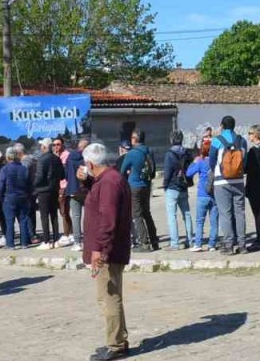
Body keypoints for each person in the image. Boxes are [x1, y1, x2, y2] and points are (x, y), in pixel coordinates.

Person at [80, 142, 132, 361]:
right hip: (109, 247)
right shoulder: (106, 179)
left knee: (108, 296)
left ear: (90, 163)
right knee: (110, 295)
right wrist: (87, 182)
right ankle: (118, 338)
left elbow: (107, 219)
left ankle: (116, 344)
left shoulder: (109, 182)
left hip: (108, 251)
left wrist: (99, 249)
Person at [207, 115, 250, 254]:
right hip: (238, 180)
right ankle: (242, 245)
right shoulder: (242, 141)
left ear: (222, 126)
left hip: (222, 181)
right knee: (240, 213)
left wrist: (216, 171)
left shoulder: (217, 140)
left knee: (225, 213)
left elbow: (212, 160)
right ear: (234, 126)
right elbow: (245, 160)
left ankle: (229, 245)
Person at [119, 131, 160, 252]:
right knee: (147, 213)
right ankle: (154, 241)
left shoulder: (131, 154)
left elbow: (122, 171)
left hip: (134, 186)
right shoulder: (149, 151)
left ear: (134, 139)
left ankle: (144, 244)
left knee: (137, 215)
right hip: (146, 185)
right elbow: (153, 169)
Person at [161, 130, 193, 250]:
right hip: (183, 186)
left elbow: (168, 172)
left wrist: (165, 185)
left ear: (171, 139)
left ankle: (175, 243)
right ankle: (190, 240)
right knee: (187, 214)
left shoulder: (169, 154)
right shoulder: (187, 153)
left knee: (172, 216)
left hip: (172, 187)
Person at [33, 138, 67, 250]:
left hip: (43, 190)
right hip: (54, 189)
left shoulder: (41, 160)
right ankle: (56, 239)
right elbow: (62, 175)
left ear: (44, 147)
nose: (40, 148)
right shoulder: (57, 159)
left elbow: (39, 176)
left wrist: (34, 186)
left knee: (44, 216)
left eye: (41, 146)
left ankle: (47, 241)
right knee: (54, 215)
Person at [0, 146, 33, 249]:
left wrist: (0, 197)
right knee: (23, 220)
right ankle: (24, 243)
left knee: (9, 221)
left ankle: (10, 244)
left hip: (9, 197)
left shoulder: (4, 169)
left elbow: (0, 185)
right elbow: (29, 184)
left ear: (8, 157)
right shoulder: (24, 168)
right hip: (22, 196)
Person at [185, 143, 219, 252]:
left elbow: (188, 173)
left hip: (202, 195)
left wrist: (193, 162)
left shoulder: (201, 162)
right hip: (214, 195)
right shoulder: (217, 163)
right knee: (214, 222)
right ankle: (212, 244)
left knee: (200, 221)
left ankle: (198, 244)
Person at [65, 139, 88, 250]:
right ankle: (89, 240)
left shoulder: (69, 158)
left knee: (76, 216)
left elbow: (66, 174)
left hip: (73, 190)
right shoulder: (87, 158)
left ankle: (77, 242)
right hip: (86, 190)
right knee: (88, 216)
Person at [54, 138, 75, 247]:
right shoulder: (56, 155)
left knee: (64, 211)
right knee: (63, 211)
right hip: (57, 185)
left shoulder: (67, 155)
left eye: (58, 144)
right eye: (54, 145)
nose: (56, 147)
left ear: (63, 145)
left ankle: (67, 234)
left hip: (64, 185)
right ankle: (70, 233)